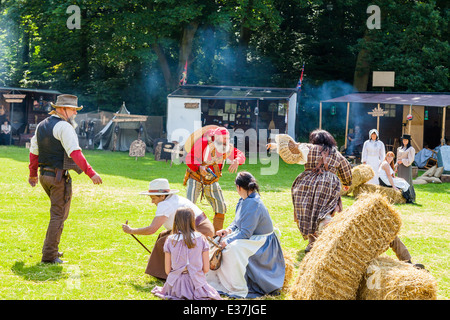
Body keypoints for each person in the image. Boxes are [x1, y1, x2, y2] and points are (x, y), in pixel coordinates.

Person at [28, 94, 103, 264]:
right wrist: (91, 173)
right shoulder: (64, 127)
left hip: (44, 176)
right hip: (57, 177)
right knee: (58, 215)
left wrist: (33, 174)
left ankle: (52, 249)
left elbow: (33, 152)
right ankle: (49, 255)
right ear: (62, 109)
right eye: (73, 110)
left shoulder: (41, 125)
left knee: (59, 214)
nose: (75, 113)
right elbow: (75, 153)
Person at [206, 172, 285, 298]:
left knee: (231, 249)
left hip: (261, 241)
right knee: (219, 239)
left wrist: (228, 240)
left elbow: (246, 233)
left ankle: (237, 286)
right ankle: (220, 281)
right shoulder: (244, 200)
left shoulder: (253, 203)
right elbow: (237, 222)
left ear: (238, 187)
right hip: (251, 236)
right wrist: (228, 231)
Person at [270, 130, 352, 253]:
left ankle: (312, 241)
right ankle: (325, 225)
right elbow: (346, 168)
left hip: (306, 183)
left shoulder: (308, 148)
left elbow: (292, 146)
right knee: (325, 211)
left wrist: (276, 146)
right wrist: (347, 183)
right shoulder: (336, 153)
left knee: (307, 212)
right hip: (328, 184)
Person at [121, 178, 215, 280]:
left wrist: (131, 231)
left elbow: (152, 229)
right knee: (163, 235)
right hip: (194, 229)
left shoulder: (165, 204)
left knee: (164, 242)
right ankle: (163, 272)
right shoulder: (172, 199)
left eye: (153, 198)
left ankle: (168, 275)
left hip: (200, 231)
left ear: (162, 196)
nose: (152, 202)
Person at [151, 207, 222, 300]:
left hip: (175, 286)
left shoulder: (170, 240)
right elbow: (205, 269)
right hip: (197, 285)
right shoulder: (202, 239)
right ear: (193, 221)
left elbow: (168, 271)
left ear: (176, 221)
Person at [184, 126, 246, 232]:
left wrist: (236, 160)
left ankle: (217, 236)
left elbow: (240, 155)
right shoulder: (203, 142)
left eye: (227, 138)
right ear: (216, 137)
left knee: (221, 207)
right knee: (188, 208)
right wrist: (199, 167)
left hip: (212, 180)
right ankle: (185, 233)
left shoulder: (227, 147)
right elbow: (190, 158)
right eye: (223, 139)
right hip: (196, 178)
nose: (226, 141)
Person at [396, 134, 416, 202]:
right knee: (400, 181)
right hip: (400, 167)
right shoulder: (399, 148)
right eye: (403, 140)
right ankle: (401, 197)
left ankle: (409, 197)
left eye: (406, 140)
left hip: (406, 167)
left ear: (408, 141)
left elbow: (411, 160)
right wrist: (396, 166)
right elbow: (397, 159)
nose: (404, 141)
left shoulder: (411, 149)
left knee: (407, 181)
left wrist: (402, 161)